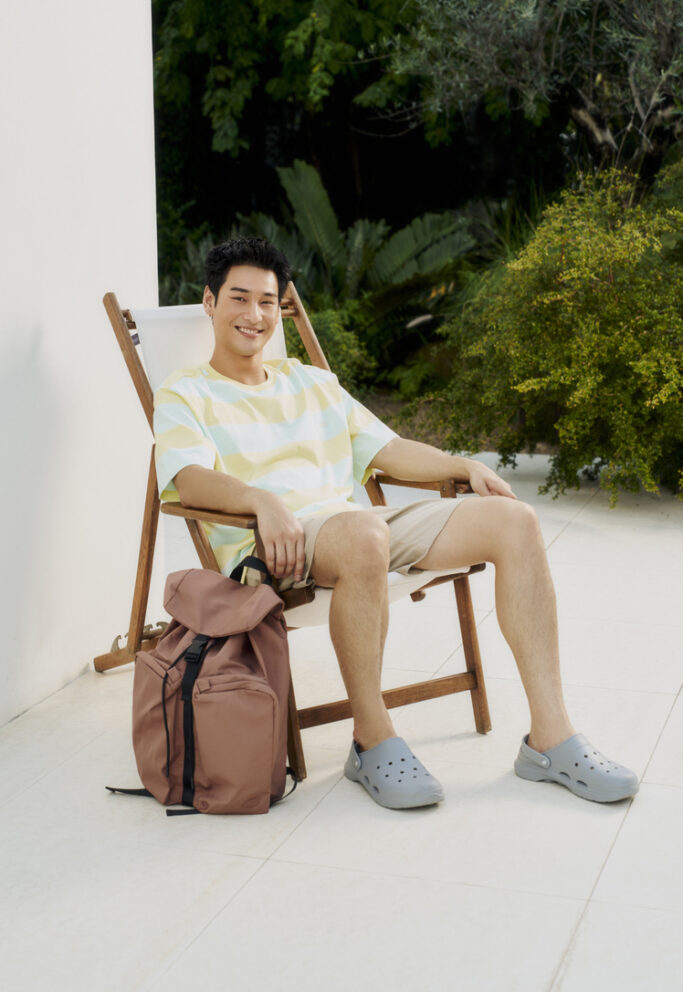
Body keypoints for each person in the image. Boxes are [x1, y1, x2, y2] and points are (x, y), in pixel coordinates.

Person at [153, 236, 639, 810]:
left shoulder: (311, 382)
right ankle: (371, 738)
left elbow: (389, 449)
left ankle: (550, 740)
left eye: (266, 301)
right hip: (274, 547)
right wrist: (261, 500)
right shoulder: (185, 392)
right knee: (365, 533)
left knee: (515, 521)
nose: (253, 315)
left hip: (358, 530)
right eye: (239, 298)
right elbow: (189, 479)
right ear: (210, 302)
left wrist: (462, 466)